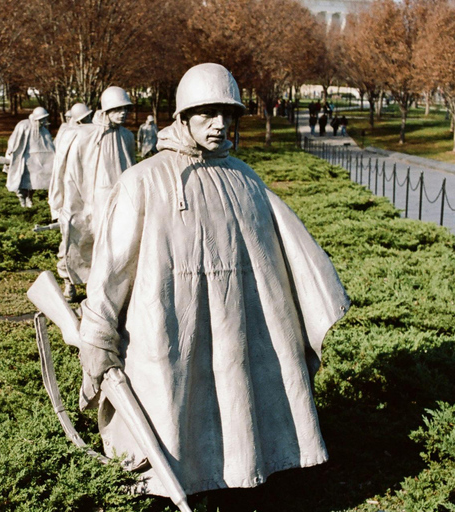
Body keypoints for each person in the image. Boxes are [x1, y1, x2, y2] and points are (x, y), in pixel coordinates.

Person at [77, 63, 350, 502]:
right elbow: (110, 270)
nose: (220, 125)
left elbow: (281, 259)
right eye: (207, 114)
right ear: (183, 117)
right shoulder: (143, 182)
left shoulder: (246, 180)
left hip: (240, 326)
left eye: (228, 115)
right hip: (169, 328)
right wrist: (96, 337)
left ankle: (245, 478)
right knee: (175, 406)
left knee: (239, 402)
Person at [58, 86, 135, 290]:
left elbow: (132, 167)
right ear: (107, 110)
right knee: (81, 238)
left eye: (126, 109)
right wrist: (70, 201)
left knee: (119, 242)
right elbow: (72, 172)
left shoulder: (127, 136)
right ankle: (70, 280)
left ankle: (112, 285)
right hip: (95, 197)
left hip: (122, 195)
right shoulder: (86, 135)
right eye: (118, 109)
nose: (123, 113)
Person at [47, 102, 93, 299]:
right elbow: (58, 171)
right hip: (71, 195)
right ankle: (68, 283)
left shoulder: (95, 134)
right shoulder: (67, 136)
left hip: (92, 194)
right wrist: (57, 202)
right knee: (69, 241)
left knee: (94, 240)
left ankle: (93, 284)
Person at [3, 106, 55, 208]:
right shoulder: (24, 125)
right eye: (41, 119)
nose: (43, 121)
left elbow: (48, 144)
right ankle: (22, 198)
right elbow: (15, 140)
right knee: (22, 180)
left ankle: (29, 197)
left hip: (37, 160)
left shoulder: (43, 129)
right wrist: (10, 152)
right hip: (24, 158)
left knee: (35, 180)